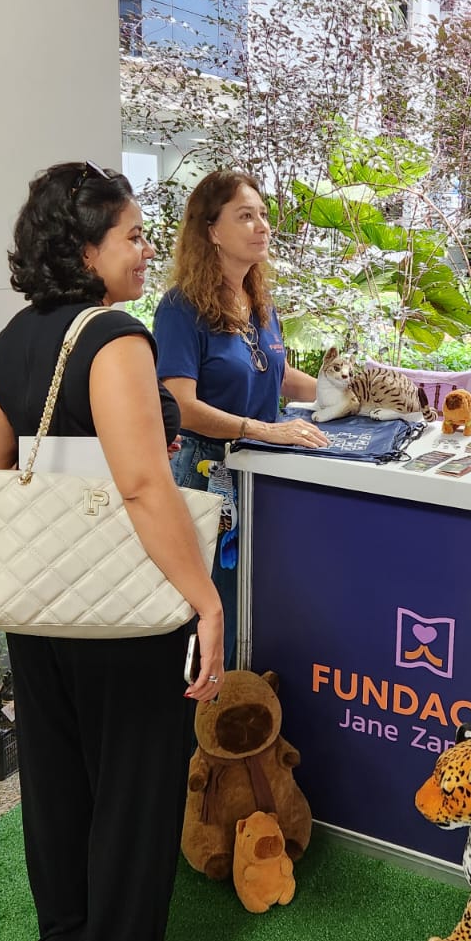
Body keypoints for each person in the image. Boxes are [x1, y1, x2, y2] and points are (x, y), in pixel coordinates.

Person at [0, 161, 224, 941]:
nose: (148, 249)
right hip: (124, 610)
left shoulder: (11, 341)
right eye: (133, 235)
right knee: (134, 787)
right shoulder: (115, 336)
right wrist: (207, 603)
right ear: (86, 251)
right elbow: (148, 488)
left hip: (41, 603)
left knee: (59, 784)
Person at [153, 170, 328, 655]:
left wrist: (349, 394)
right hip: (206, 477)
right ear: (210, 231)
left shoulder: (260, 302)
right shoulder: (180, 308)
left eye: (264, 216)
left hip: (261, 472)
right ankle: (203, 720)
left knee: (257, 603)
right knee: (215, 610)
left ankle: (247, 709)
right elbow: (181, 408)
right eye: (245, 216)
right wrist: (265, 428)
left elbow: (280, 376)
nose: (262, 227)